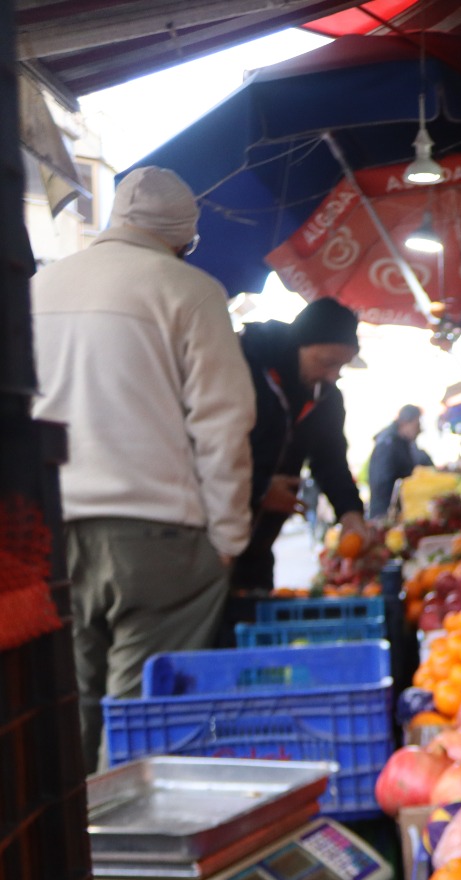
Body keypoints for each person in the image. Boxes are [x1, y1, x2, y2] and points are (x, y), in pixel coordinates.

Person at [31, 166, 256, 770]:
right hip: (157, 536)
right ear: (184, 237)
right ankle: (122, 854)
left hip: (50, 530)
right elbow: (223, 423)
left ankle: (68, 854)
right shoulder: (190, 290)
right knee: (137, 720)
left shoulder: (38, 289)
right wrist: (229, 538)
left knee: (66, 701)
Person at [235, 297, 369, 591]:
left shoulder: (326, 397)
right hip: (214, 541)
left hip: (259, 549)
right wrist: (258, 489)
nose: (333, 375)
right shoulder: (240, 369)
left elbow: (330, 459)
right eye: (327, 362)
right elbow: (206, 447)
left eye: (341, 366)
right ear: (300, 345)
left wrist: (350, 513)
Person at [367, 403, 434, 518]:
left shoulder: (401, 443)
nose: (419, 429)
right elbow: (382, 482)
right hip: (385, 513)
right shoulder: (388, 444)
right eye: (417, 424)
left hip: (393, 511)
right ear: (404, 423)